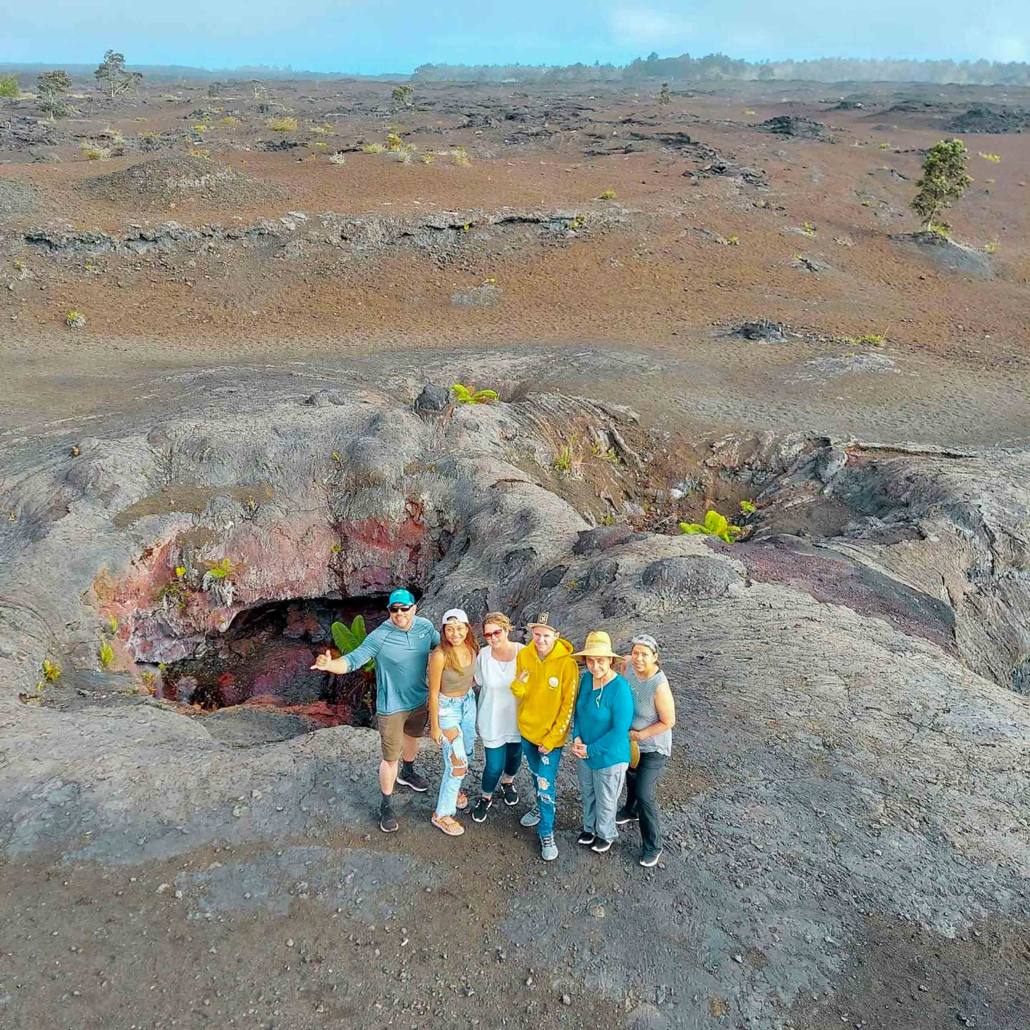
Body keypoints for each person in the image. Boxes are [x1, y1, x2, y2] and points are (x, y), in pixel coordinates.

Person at [311, 589, 439, 833]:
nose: (399, 614)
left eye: (404, 608)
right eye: (394, 609)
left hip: (418, 699)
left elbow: (441, 646)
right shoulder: (379, 636)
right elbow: (353, 660)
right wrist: (330, 665)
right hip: (391, 706)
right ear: (389, 610)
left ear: (414, 608)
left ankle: (408, 773)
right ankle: (387, 804)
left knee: (412, 738)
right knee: (390, 758)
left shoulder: (424, 627)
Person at [509, 612, 579, 862]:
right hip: (528, 731)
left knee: (546, 785)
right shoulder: (525, 654)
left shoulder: (567, 664)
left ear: (556, 636)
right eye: (537, 634)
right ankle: (539, 809)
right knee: (536, 776)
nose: (540, 639)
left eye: (546, 635)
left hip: (551, 739)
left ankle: (546, 832)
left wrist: (552, 739)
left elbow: (567, 706)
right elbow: (520, 688)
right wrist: (517, 686)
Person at [570, 631, 634, 854]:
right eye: (590, 660)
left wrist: (591, 749)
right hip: (584, 750)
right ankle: (589, 828)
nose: (595, 666)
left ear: (610, 661)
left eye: (600, 661)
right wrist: (576, 737)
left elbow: (620, 730)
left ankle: (605, 834)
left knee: (606, 799)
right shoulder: (587, 678)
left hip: (610, 756)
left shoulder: (620, 689)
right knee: (588, 793)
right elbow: (578, 711)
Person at [616, 634, 676, 867]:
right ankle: (630, 810)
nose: (639, 658)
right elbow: (618, 668)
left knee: (645, 792)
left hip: (653, 745)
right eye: (636, 653)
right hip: (632, 742)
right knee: (631, 776)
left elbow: (668, 721)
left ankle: (653, 845)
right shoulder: (629, 664)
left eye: (645, 654)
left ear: (655, 657)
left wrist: (641, 735)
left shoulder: (658, 686)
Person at [428, 609, 478, 836]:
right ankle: (442, 814)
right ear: (443, 631)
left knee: (466, 752)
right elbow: (434, 693)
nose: (455, 633)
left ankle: (454, 790)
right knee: (458, 763)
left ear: (467, 628)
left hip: (468, 703)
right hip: (447, 709)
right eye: (450, 629)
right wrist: (435, 726)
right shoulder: (440, 655)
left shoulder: (472, 648)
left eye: (459, 628)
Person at [470, 613, 521, 822]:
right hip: (491, 718)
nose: (492, 637)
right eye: (488, 634)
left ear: (507, 630)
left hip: (518, 718)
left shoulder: (523, 652)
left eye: (497, 632)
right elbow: (473, 680)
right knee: (493, 765)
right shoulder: (483, 655)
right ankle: (486, 796)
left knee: (514, 758)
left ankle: (508, 782)